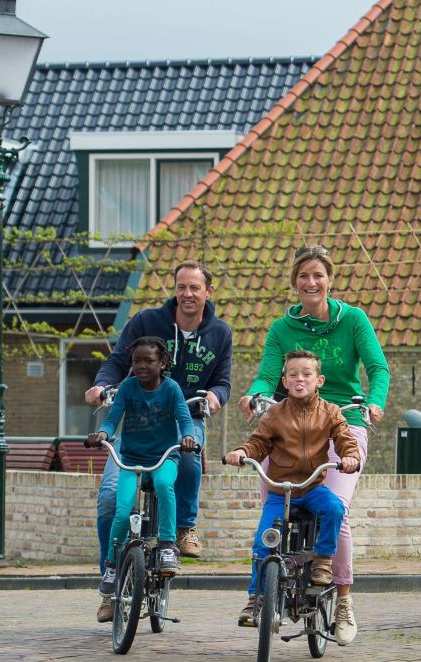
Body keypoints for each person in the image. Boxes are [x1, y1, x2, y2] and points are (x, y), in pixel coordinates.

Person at [236, 244, 388, 645]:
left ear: (329, 279)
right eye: (304, 276)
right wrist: (255, 396)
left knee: (337, 508)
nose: (311, 282)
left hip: (344, 423)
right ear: (294, 282)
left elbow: (377, 367)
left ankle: (343, 600)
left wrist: (374, 402)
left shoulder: (352, 319)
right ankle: (267, 583)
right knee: (274, 503)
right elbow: (268, 374)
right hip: (290, 422)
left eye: (318, 275)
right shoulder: (281, 329)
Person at [83, 260, 232, 622]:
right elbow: (117, 362)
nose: (188, 294)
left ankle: (183, 528)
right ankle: (111, 578)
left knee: (191, 456)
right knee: (107, 503)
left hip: (185, 417)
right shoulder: (147, 323)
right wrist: (102, 386)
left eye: (195, 287)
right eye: (182, 287)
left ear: (208, 292)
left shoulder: (220, 333)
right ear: (175, 289)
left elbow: (223, 381)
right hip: (135, 422)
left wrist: (215, 396)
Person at [225, 349, 360, 627]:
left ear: (319, 380)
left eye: (307, 375)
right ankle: (256, 599)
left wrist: (351, 457)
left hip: (312, 488)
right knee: (264, 540)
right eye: (293, 375)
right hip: (280, 491)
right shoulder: (274, 414)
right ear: (284, 382)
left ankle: (323, 559)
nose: (300, 380)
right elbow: (258, 443)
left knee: (335, 509)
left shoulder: (330, 413)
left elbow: (345, 439)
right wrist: (241, 452)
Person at [86, 337, 198, 600]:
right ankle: (112, 566)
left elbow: (184, 418)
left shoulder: (171, 389)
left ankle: (168, 545)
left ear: (163, 363)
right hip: (132, 460)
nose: (141, 366)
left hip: (163, 457)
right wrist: (103, 433)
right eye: (137, 361)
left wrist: (188, 438)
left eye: (149, 360)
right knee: (122, 510)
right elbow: (113, 418)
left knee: (163, 485)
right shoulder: (127, 387)